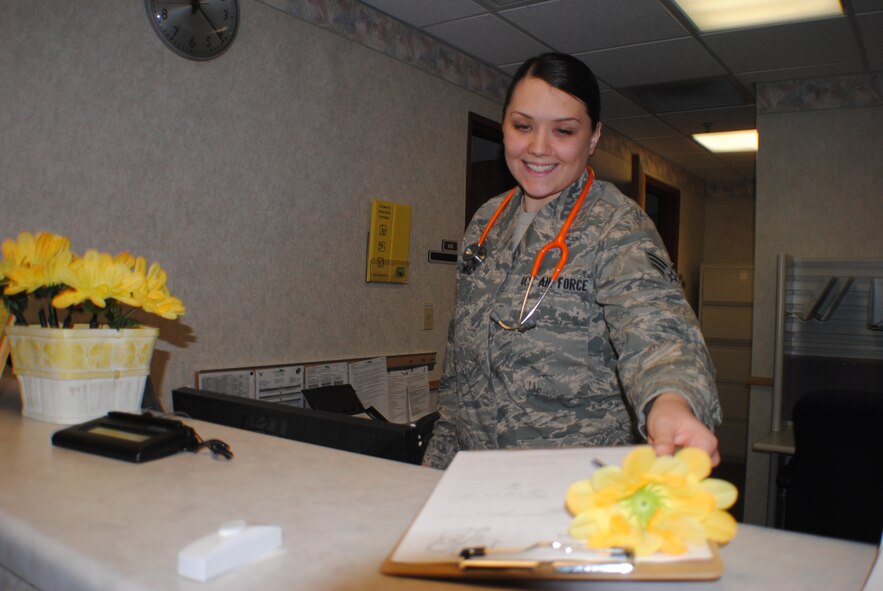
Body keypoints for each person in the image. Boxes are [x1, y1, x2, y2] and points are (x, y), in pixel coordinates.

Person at [422, 52, 721, 470]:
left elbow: (657, 329)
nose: (538, 148)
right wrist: (435, 468)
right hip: (476, 480)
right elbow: (460, 365)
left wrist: (670, 403)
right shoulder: (486, 223)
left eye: (563, 130)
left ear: (593, 137)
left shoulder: (616, 227)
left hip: (573, 491)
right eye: (523, 126)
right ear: (504, 124)